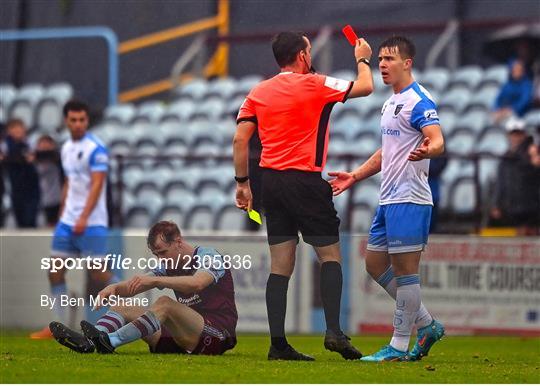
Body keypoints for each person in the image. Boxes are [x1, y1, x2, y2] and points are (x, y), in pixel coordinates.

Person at [233, 31, 374, 361]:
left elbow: (240, 141)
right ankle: (334, 333)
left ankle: (278, 344)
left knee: (280, 265)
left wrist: (243, 184)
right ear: (301, 56)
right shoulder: (316, 83)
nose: (310, 57)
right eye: (309, 51)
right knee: (330, 257)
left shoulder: (258, 92)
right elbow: (366, 87)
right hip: (306, 181)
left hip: (271, 183)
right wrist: (362, 58)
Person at [329, 36, 445, 362]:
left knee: (406, 273)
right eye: (379, 58)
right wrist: (355, 176)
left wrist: (429, 149)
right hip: (388, 199)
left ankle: (397, 346)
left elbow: (437, 139)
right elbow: (387, 152)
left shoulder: (420, 101)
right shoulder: (390, 102)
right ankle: (427, 325)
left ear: (407, 63)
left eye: (389, 59)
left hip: (411, 198)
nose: (382, 64)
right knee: (374, 264)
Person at [50, 220, 238, 356]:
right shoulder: (168, 266)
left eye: (163, 252)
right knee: (122, 307)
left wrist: (158, 282)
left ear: (178, 242)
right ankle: (89, 341)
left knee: (165, 304)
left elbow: (198, 283)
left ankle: (111, 341)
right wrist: (114, 288)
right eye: (157, 255)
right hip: (183, 337)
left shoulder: (208, 256)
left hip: (217, 335)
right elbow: (136, 284)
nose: (161, 259)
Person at [30, 100, 117, 339]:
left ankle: (132, 309)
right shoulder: (67, 147)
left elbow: (98, 184)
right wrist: (63, 214)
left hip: (92, 222)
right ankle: (58, 326)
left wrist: (84, 216)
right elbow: (69, 181)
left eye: (82, 120)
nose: (78, 124)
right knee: (55, 270)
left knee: (99, 274)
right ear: (66, 121)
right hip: (68, 222)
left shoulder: (96, 148)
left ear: (87, 121)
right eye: (73, 120)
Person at [490, 118, 540, 235]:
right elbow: (500, 183)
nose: (516, 138)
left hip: (532, 204)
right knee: (520, 233)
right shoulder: (506, 157)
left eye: (519, 134)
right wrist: (496, 203)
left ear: (524, 134)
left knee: (531, 232)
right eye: (513, 134)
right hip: (513, 205)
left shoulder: (531, 152)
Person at [2, 118, 40, 227]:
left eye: (20, 128)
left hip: (31, 189)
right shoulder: (5, 146)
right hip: (15, 189)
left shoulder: (30, 144)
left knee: (30, 220)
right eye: (15, 129)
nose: (18, 132)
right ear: (9, 130)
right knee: (21, 222)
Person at [492, 59, 533, 124]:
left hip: (519, 114)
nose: (516, 72)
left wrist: (511, 110)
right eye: (514, 70)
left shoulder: (527, 85)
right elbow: (498, 98)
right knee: (492, 119)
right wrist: (497, 109)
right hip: (503, 112)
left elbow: (525, 101)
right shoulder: (507, 84)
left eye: (519, 70)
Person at [34, 135, 63, 227]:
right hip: (42, 198)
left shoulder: (58, 159)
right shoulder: (33, 161)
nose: (45, 146)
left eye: (47, 144)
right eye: (42, 144)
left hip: (58, 197)